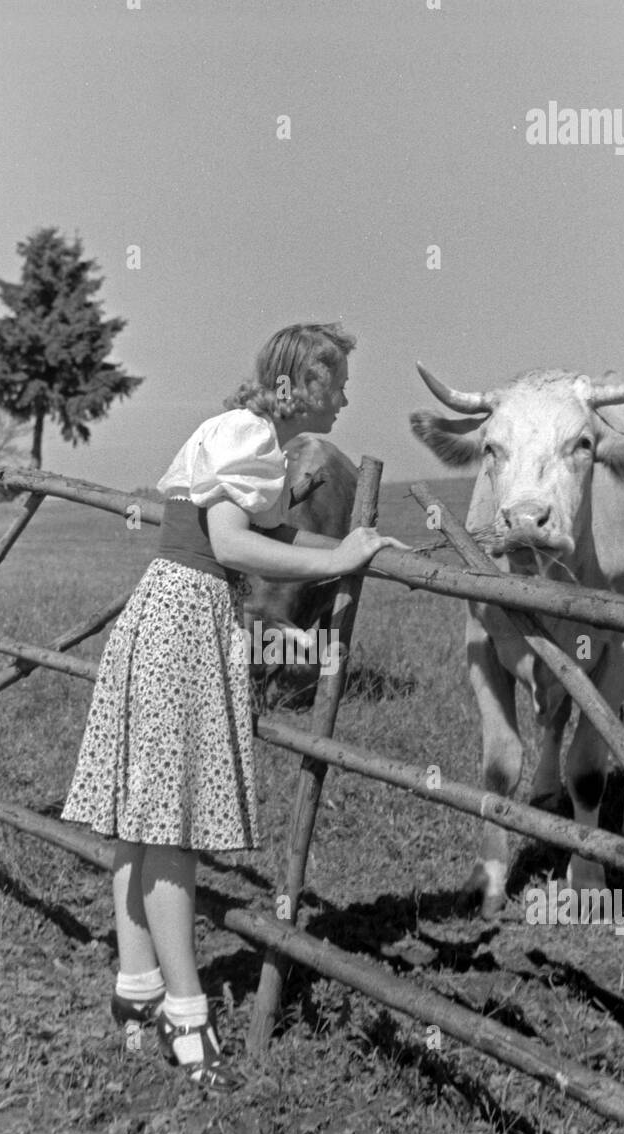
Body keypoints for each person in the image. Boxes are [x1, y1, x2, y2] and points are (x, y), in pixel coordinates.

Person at [62, 322, 408, 1090]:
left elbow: (271, 528)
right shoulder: (251, 436)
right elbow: (233, 543)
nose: (347, 395)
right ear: (302, 387)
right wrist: (340, 555)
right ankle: (188, 1016)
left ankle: (135, 990)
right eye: (338, 381)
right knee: (174, 829)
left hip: (167, 612)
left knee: (140, 818)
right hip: (186, 617)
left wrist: (356, 548)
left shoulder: (242, 435)